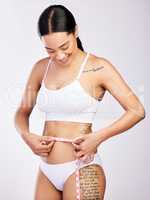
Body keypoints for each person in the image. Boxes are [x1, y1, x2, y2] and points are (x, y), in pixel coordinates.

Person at [14, 4, 145, 200]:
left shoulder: (98, 67)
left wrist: (98, 137)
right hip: (46, 171)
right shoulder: (41, 68)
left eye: (64, 46)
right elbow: (22, 113)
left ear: (75, 31)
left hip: (82, 168)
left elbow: (137, 110)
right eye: (50, 50)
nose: (59, 56)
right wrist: (26, 136)